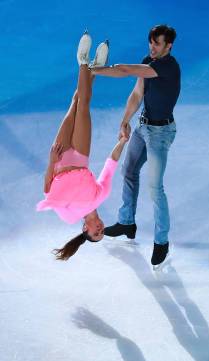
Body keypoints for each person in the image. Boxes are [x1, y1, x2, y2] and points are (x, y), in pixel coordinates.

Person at [91, 24, 180, 267]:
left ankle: (161, 241)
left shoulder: (168, 67)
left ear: (168, 46)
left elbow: (125, 70)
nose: (152, 47)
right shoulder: (148, 62)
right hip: (143, 127)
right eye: (150, 42)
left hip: (161, 134)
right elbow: (137, 94)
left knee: (155, 188)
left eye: (157, 44)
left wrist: (95, 70)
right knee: (128, 170)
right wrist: (124, 120)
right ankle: (127, 222)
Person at [36, 32, 128, 261]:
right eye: (103, 232)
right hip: (79, 154)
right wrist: (122, 142)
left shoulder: (68, 217)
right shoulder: (101, 195)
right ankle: (84, 61)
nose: (101, 229)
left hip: (58, 158)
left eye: (96, 233)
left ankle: (92, 67)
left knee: (75, 102)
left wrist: (51, 162)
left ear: (85, 229)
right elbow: (110, 165)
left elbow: (48, 191)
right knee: (84, 105)